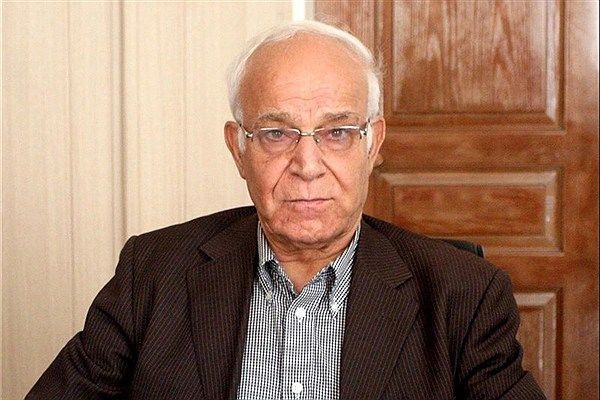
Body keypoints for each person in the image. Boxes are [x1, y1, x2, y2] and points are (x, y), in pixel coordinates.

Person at [27, 20, 546, 399]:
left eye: (337, 132)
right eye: (276, 133)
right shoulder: (154, 271)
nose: (307, 165)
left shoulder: (464, 295)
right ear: (238, 149)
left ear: (373, 144)